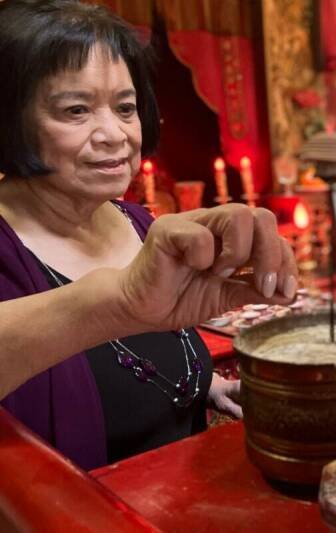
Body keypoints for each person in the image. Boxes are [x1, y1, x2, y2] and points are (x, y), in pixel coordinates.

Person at [0, 0, 298, 469]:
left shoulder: (137, 222)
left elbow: (141, 363)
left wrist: (202, 385)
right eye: (76, 110)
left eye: (125, 108)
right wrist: (115, 302)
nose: (114, 134)